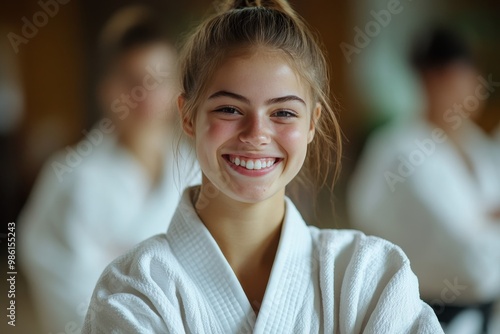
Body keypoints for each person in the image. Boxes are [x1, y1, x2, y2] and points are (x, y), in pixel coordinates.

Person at [82, 1, 443, 333]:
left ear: (312, 123)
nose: (256, 134)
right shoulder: (134, 289)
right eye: (229, 109)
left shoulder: (368, 275)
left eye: (283, 113)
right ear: (187, 116)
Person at [18, 6, 198, 333]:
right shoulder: (70, 177)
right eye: (132, 82)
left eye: (158, 81)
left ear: (178, 92)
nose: (146, 98)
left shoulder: (199, 171)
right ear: (107, 89)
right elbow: (65, 286)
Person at [348, 28, 500, 333]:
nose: (466, 89)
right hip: (428, 317)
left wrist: (484, 223)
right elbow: (473, 265)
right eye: (452, 78)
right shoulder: (399, 151)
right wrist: (486, 218)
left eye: (470, 77)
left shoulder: (476, 145)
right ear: (427, 80)